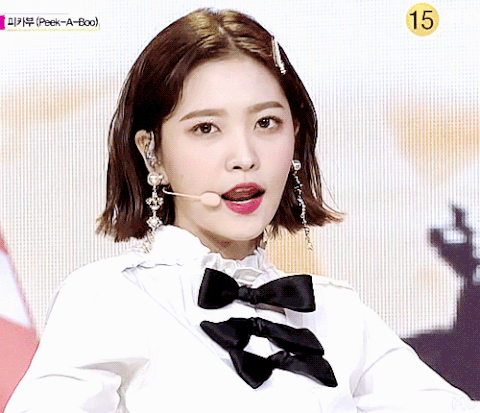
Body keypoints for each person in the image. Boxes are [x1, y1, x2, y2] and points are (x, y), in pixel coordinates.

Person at [5, 8, 476, 413]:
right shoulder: (110, 299)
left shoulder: (337, 313)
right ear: (152, 153)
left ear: (296, 137)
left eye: (266, 122)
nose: (245, 156)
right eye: (206, 128)